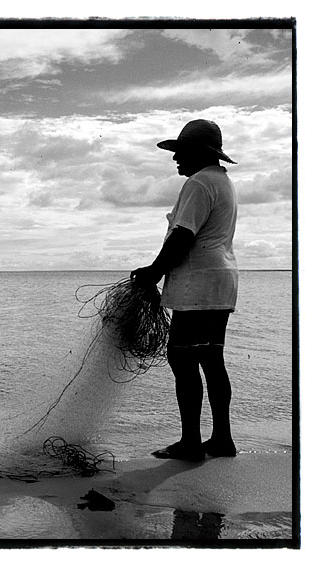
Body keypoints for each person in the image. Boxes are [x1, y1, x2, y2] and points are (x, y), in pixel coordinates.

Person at [131, 119, 239, 462]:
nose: (175, 159)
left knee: (181, 356)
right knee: (211, 359)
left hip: (198, 283)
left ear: (198, 153)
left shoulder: (199, 182)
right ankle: (222, 439)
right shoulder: (222, 181)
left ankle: (191, 442)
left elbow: (183, 234)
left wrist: (153, 271)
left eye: (181, 152)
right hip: (220, 280)